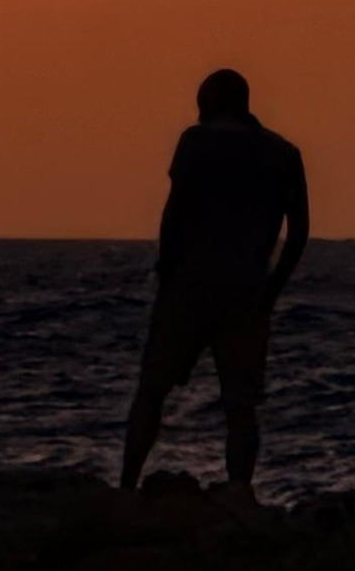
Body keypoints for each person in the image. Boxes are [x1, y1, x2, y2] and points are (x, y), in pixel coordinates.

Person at [122, 69, 311, 493]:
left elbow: (174, 214)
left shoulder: (195, 142)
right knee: (241, 406)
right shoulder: (283, 153)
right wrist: (273, 288)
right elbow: (299, 232)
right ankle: (240, 490)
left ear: (206, 105)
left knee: (152, 391)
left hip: (188, 287)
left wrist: (166, 267)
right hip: (247, 293)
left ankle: (126, 487)